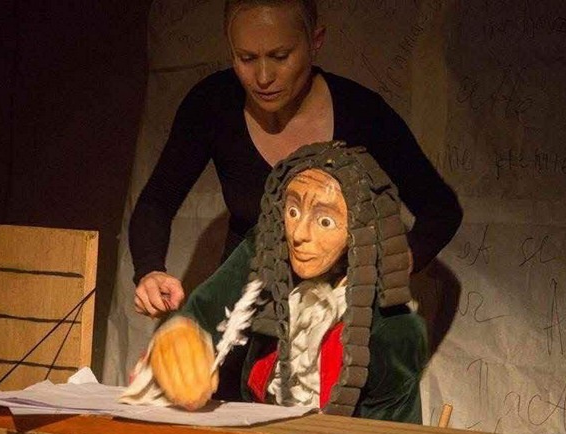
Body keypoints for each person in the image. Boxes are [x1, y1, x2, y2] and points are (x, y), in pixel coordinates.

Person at [128, 0, 462, 398]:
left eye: (280, 56)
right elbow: (156, 201)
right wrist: (149, 269)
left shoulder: (362, 113)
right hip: (244, 320)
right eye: (246, 58)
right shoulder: (213, 104)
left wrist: (395, 261)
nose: (263, 76)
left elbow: (440, 209)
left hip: (337, 334)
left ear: (315, 41)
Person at [123, 142, 427, 423]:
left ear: (360, 231)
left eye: (324, 221)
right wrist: (180, 339)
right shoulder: (267, 253)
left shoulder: (393, 328)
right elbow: (203, 313)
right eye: (293, 212)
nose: (299, 234)